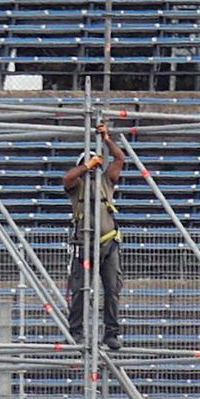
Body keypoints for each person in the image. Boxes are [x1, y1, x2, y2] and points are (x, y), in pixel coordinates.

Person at [64, 123, 126, 350]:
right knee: (80, 290)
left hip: (108, 242)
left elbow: (119, 159)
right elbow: (67, 178)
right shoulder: (77, 186)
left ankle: (111, 333)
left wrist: (107, 139)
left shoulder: (106, 182)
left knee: (112, 290)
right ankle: (76, 332)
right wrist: (86, 166)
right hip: (84, 245)